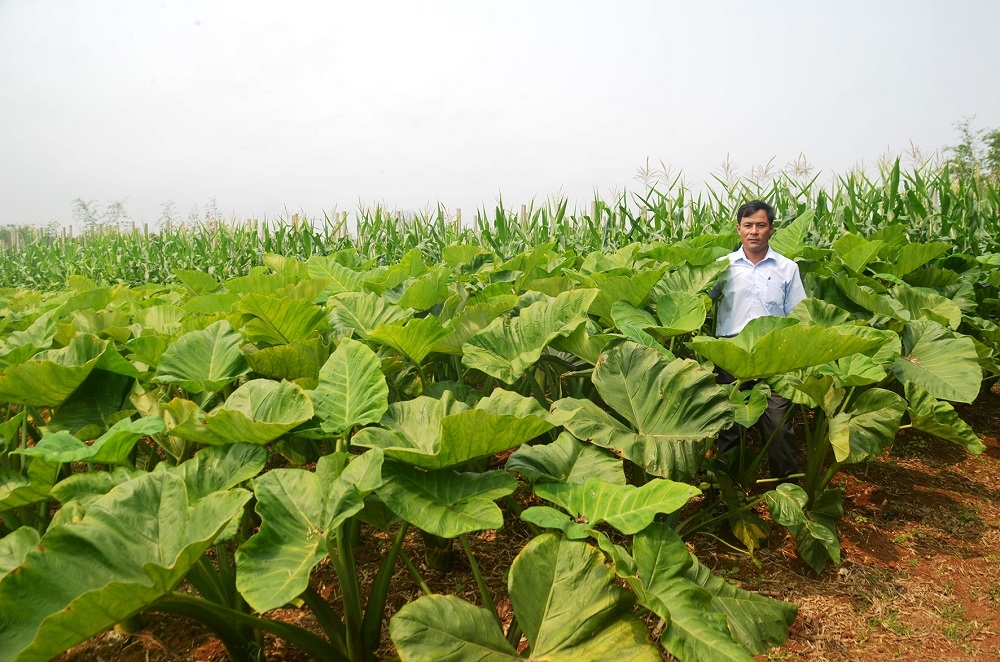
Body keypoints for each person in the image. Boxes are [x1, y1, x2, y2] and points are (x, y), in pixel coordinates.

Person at [711, 200, 807, 480]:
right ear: (738, 229)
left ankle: (784, 486)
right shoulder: (722, 267)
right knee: (729, 424)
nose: (754, 231)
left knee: (778, 423)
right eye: (748, 225)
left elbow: (798, 315)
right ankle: (729, 489)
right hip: (732, 353)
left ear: (771, 229)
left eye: (760, 225)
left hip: (773, 355)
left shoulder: (787, 269)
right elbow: (698, 301)